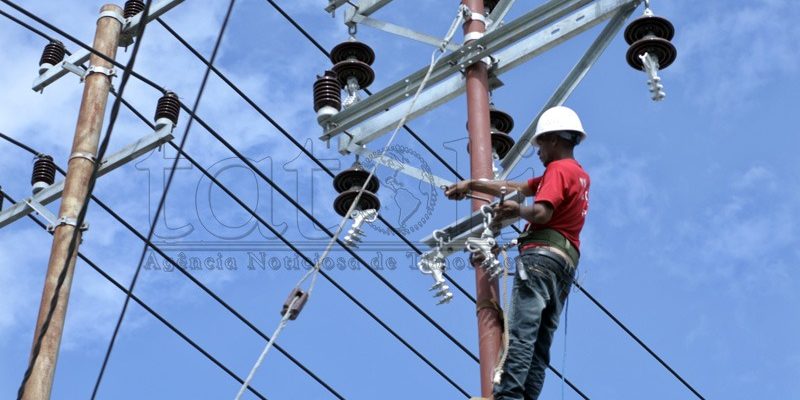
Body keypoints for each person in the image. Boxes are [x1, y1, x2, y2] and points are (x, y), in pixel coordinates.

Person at [445, 106, 590, 400]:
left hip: (541, 260)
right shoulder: (577, 173)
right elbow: (517, 187)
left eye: (539, 144)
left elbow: (541, 210)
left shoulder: (558, 170)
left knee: (522, 333)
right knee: (539, 344)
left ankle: (507, 397)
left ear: (553, 139)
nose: (537, 151)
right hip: (563, 265)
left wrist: (518, 210)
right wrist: (473, 185)